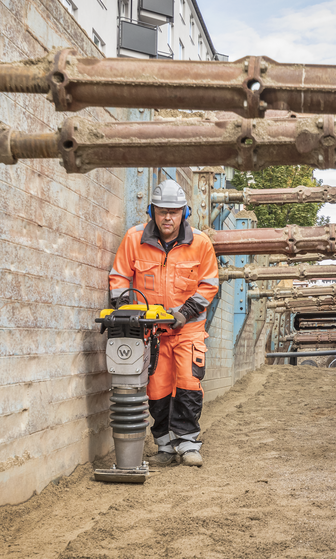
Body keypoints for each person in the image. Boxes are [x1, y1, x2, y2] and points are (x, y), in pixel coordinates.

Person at [108, 179, 219, 467]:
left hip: (188, 328)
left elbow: (208, 285)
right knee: (155, 390)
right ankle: (165, 446)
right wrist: (123, 308)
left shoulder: (201, 243)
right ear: (152, 211)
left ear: (184, 212)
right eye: (161, 211)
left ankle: (188, 442)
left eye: (174, 211)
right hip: (152, 331)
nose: (168, 217)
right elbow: (119, 277)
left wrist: (186, 312)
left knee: (188, 383)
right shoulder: (134, 240)